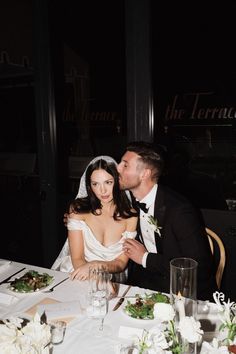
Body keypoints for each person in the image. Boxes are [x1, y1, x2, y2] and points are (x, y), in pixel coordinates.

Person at [117, 141, 217, 301]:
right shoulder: (129, 202)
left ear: (145, 174)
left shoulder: (179, 210)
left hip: (186, 294)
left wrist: (145, 258)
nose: (118, 168)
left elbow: (199, 267)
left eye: (125, 165)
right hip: (147, 287)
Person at [52, 156, 138, 281]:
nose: (102, 190)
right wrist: (98, 282)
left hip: (112, 276)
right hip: (77, 272)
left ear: (118, 181)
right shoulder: (78, 210)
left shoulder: (130, 216)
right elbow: (77, 258)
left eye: (108, 182)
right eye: (95, 184)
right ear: (89, 186)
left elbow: (121, 263)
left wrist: (97, 266)